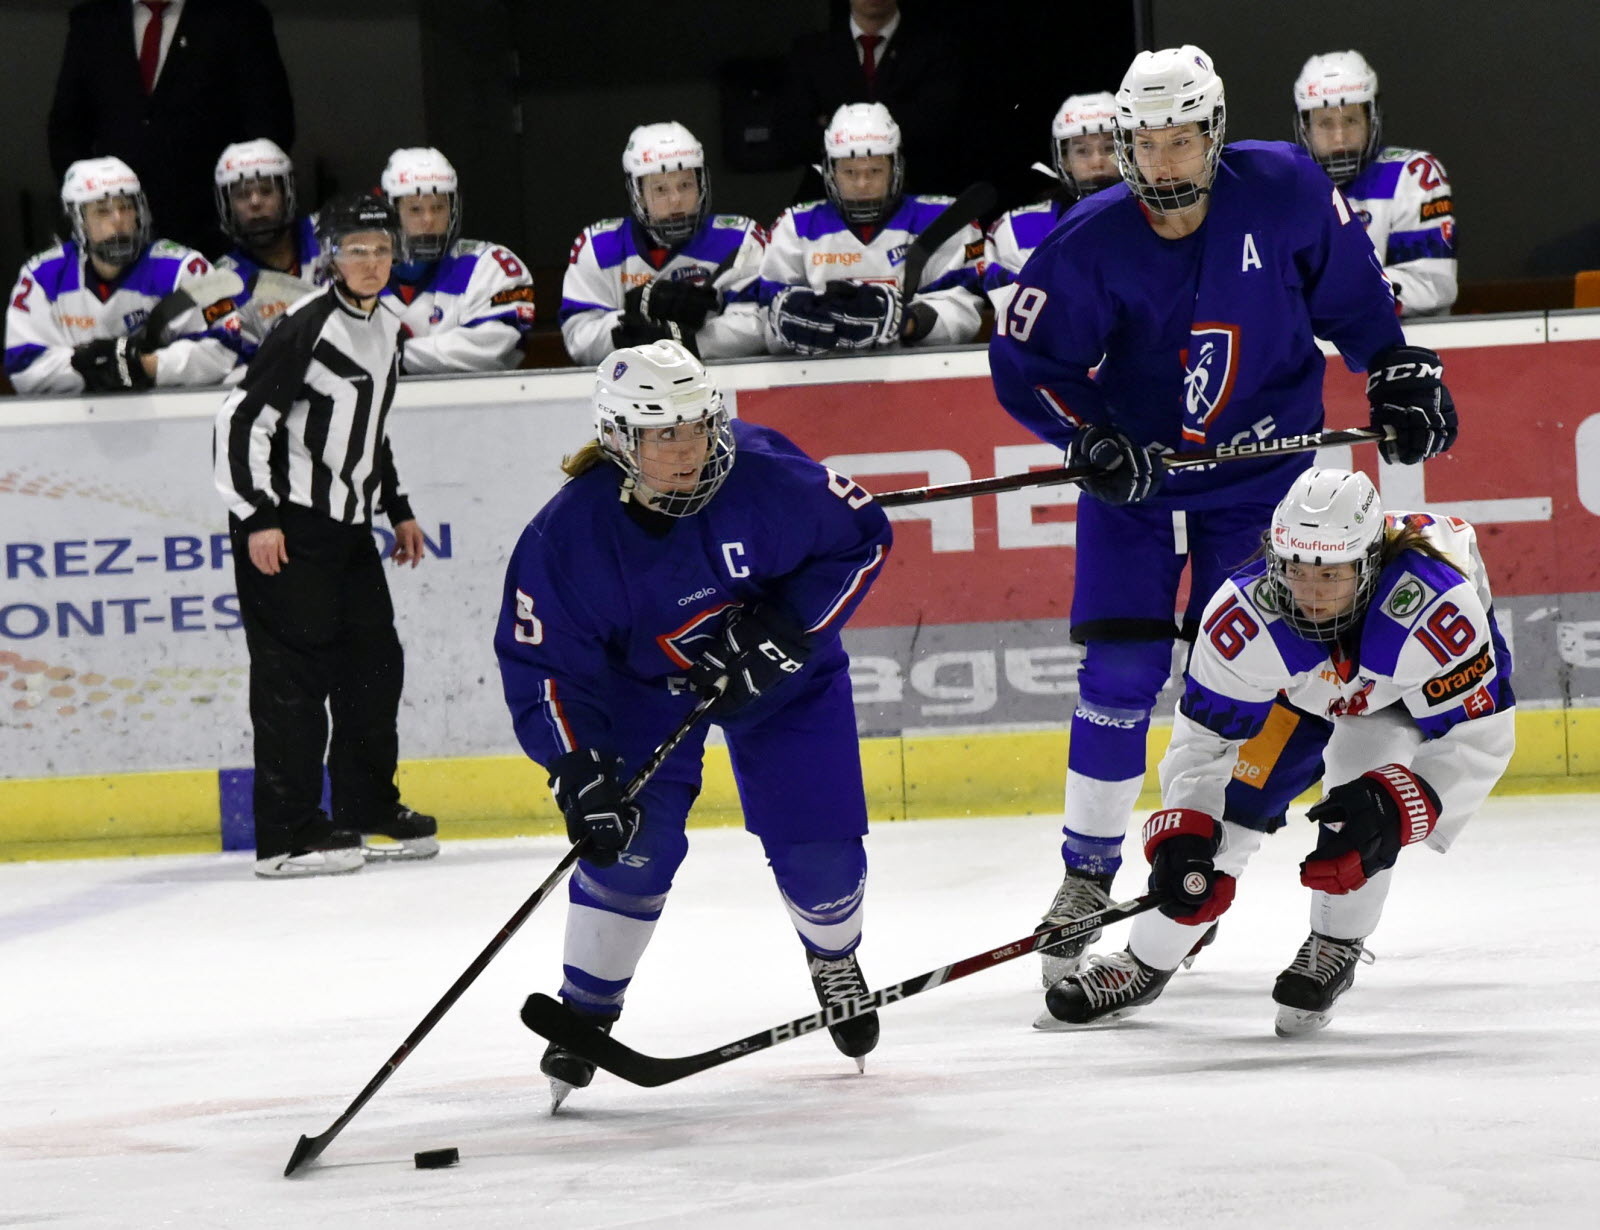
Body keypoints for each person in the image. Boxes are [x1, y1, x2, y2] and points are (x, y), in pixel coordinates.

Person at [987, 45, 1459, 990]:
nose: (1164, 162)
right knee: (1119, 673)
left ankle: (1197, 864)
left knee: (1258, 678)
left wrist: (1396, 368)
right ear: (1122, 147)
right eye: (1145, 143)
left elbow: (1357, 301)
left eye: (1181, 139)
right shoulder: (1087, 240)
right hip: (1140, 487)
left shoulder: (1283, 188)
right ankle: (1086, 876)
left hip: (1263, 482)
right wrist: (1088, 439)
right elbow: (1024, 366)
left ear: (1214, 133)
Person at [495, 339, 893, 1109]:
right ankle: (586, 1011)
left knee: (821, 856)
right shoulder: (566, 539)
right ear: (618, 440)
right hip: (640, 694)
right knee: (631, 847)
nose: (687, 449)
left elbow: (862, 538)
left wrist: (781, 633)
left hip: (783, 677)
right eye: (662, 434)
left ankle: (834, 958)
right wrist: (577, 771)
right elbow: (543, 669)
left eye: (697, 427)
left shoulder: (768, 474)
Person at [1039, 468, 1514, 1035]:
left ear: (1369, 564)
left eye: (1331, 574)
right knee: (1226, 820)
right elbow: (1206, 744)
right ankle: (1144, 963)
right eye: (1297, 570)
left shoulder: (1434, 609)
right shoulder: (1244, 615)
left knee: (1360, 805)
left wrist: (1399, 809)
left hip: (1400, 697)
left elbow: (1480, 738)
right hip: (1301, 695)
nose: (1311, 592)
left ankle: (1335, 942)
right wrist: (1186, 832)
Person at [213, 194, 439, 879]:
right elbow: (239, 419)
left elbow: (370, 429)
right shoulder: (305, 329)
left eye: (379, 249)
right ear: (330, 258)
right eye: (355, 251)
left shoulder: (386, 324)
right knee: (294, 679)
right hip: (288, 525)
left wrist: (396, 506)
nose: (370, 263)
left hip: (347, 527)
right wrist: (257, 516)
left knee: (375, 666)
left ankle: (365, 806)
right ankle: (287, 833)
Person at [47, 0, 295, 257]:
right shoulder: (93, 21)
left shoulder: (238, 18)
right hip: (118, 238)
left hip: (215, 238)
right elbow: (66, 131)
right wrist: (90, 209)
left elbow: (271, 126)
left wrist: (247, 209)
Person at [760, 102, 983, 356]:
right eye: (850, 172)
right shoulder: (795, 225)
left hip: (915, 376)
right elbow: (766, 320)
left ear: (895, 168)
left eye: (875, 171)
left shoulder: (942, 219)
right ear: (831, 171)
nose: (862, 183)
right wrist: (789, 325)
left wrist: (906, 321)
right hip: (819, 377)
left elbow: (965, 311)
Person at [6, 157, 242, 395]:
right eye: (102, 211)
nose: (118, 221)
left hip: (166, 418)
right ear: (79, 222)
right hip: (78, 421)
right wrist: (94, 368)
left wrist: (147, 366)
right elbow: (22, 365)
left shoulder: (184, 268)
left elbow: (226, 345)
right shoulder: (42, 275)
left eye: (125, 207)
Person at [559, 122, 768, 368]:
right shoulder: (598, 246)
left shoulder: (739, 239)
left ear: (701, 184)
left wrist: (680, 340)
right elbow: (579, 340)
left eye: (686, 185)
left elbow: (759, 327)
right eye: (660, 189)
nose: (676, 200)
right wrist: (638, 316)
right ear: (638, 195)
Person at [1294, 51, 1457, 317]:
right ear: (1306, 127)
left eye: (1351, 120)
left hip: (1403, 344)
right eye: (1325, 123)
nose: (1339, 139)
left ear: (1371, 120)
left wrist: (1331, 293)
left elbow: (1432, 286)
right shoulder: (1284, 188)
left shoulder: (1413, 174)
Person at [775, 0, 969, 202]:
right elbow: (790, 134)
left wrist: (834, 124)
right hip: (827, 199)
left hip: (920, 195)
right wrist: (894, 121)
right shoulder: (811, 51)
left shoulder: (936, 48)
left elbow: (937, 124)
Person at [378, 147, 537, 373]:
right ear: (392, 212)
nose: (428, 219)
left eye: (438, 207)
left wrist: (398, 354)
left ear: (452, 209)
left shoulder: (490, 265)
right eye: (415, 209)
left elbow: (494, 346)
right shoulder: (360, 269)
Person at [984, 92, 1119, 320]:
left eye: (1109, 148)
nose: (1097, 161)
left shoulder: (1162, 218)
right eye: (1082, 151)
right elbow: (1022, 318)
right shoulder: (1018, 229)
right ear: (1064, 160)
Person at [213, 139, 323, 350]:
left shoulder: (327, 235)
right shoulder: (222, 282)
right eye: (242, 195)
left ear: (286, 195)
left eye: (266, 191)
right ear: (229, 207)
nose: (255, 202)